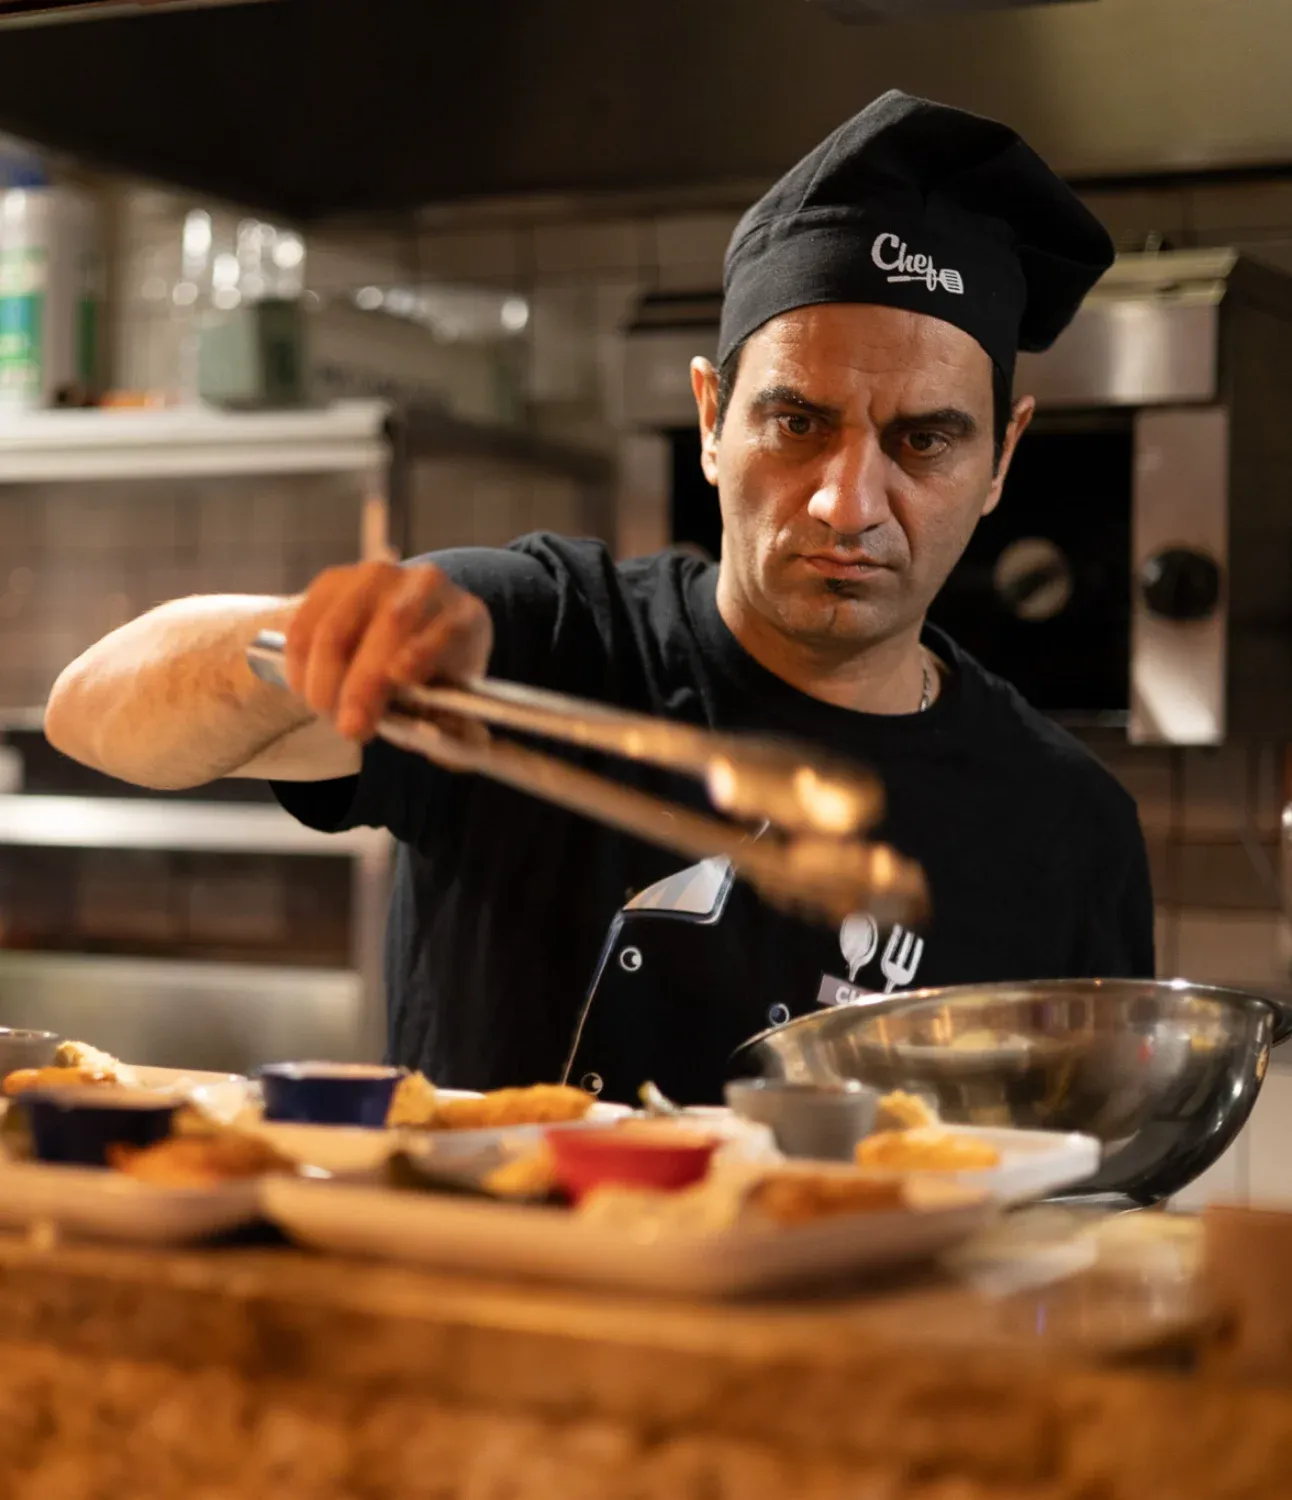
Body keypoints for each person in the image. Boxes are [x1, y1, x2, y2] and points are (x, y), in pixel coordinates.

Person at [45, 90, 1154, 1104]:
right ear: (711, 419)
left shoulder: (1066, 828)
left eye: (922, 441)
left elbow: (1095, 1200)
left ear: (1001, 459)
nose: (844, 502)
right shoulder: (533, 638)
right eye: (797, 422)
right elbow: (91, 711)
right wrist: (309, 637)